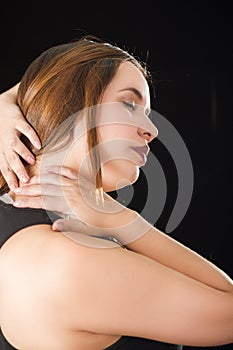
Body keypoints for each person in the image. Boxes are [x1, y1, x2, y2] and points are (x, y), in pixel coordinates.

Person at [0, 36, 233, 350]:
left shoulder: (18, 220)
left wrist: (4, 102)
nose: (152, 130)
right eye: (129, 104)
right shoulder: (66, 259)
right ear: (71, 103)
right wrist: (122, 220)